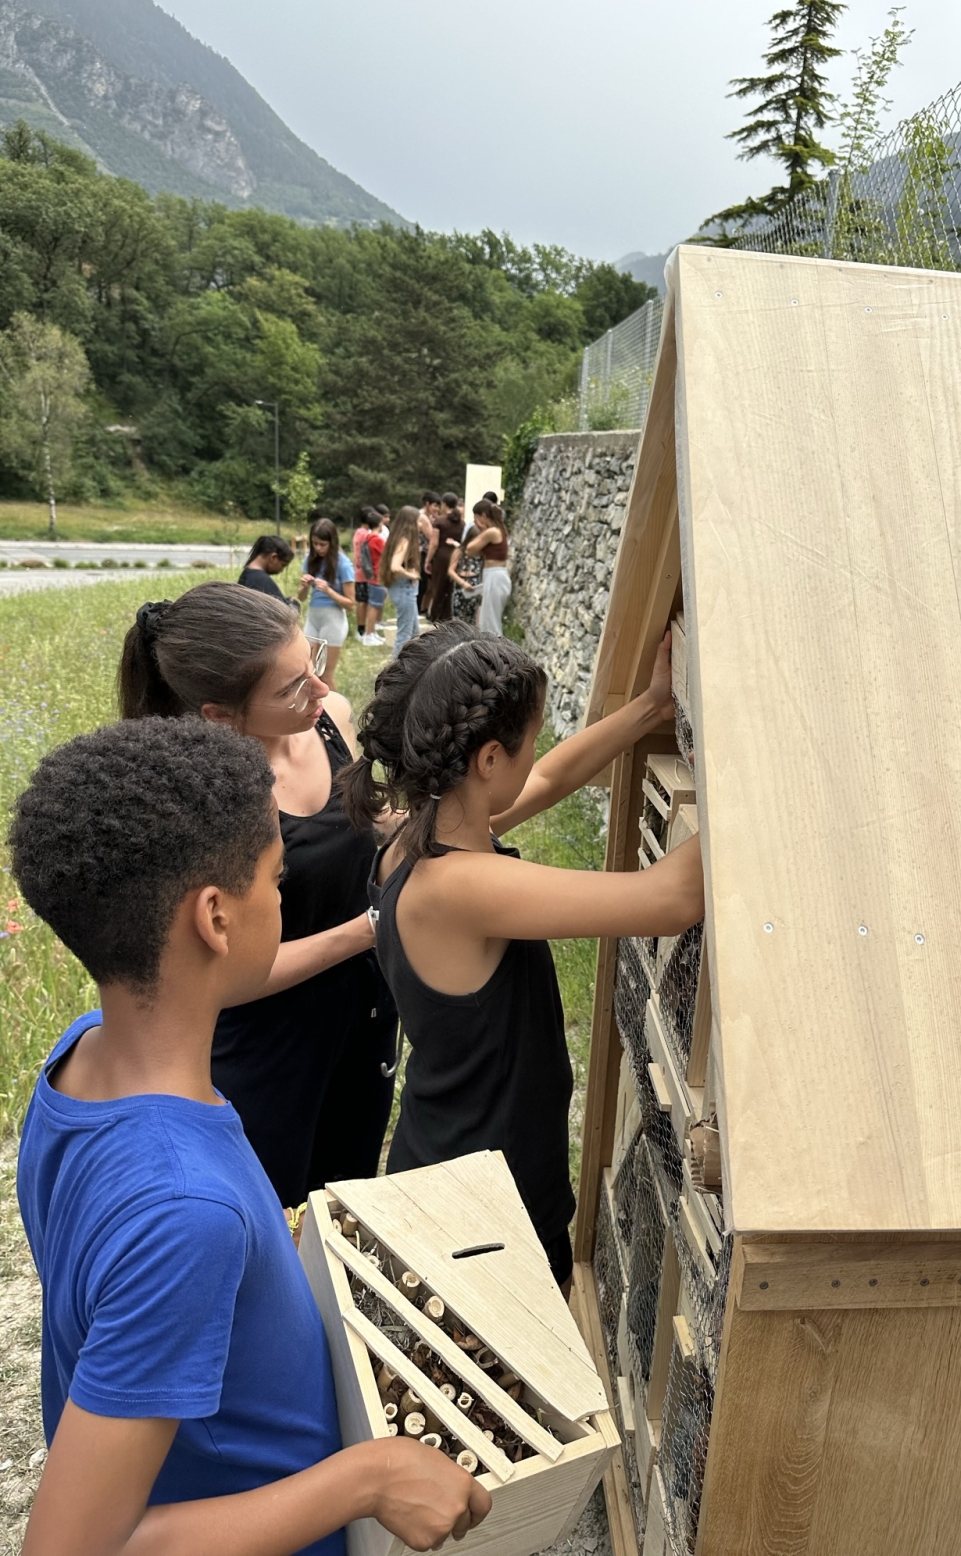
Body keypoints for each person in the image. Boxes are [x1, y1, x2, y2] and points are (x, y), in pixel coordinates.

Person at [9, 717, 490, 1556]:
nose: (284, 892)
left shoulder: (81, 1054)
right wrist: (366, 1480)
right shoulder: (184, 1211)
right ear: (217, 920)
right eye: (278, 877)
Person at [338, 625, 703, 1289]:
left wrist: (652, 706)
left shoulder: (424, 835)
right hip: (483, 1214)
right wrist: (758, 767)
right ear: (486, 761)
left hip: (454, 1160)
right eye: (530, 737)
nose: (537, 752)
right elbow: (672, 897)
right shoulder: (461, 887)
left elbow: (552, 775)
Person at [118, 584, 399, 1211]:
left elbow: (367, 821)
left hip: (362, 1021)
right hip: (267, 1050)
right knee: (274, 1216)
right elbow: (226, 979)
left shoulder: (332, 722)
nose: (320, 692)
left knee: (345, 1205)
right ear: (220, 714)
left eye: (313, 665)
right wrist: (369, 930)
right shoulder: (201, 804)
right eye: (293, 688)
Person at [300, 518, 356, 691]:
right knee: (309, 672)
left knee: (325, 676)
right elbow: (302, 597)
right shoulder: (310, 559)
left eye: (322, 544)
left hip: (333, 620)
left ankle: (338, 714)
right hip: (313, 617)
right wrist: (303, 586)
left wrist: (329, 591)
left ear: (332, 542)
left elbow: (351, 604)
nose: (318, 548)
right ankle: (317, 715)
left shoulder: (343, 564)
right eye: (315, 544)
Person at [380, 505, 422, 656]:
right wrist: (412, 575)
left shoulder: (396, 538)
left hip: (400, 588)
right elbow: (395, 566)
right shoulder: (405, 541)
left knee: (414, 632)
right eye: (418, 521)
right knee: (404, 635)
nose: (420, 525)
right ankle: (394, 671)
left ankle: (411, 666)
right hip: (403, 589)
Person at [465, 500, 511, 636]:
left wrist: (482, 529)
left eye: (476, 519)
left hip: (495, 576)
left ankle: (497, 652)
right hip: (493, 576)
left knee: (491, 623)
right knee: (487, 620)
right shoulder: (498, 531)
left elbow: (469, 549)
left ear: (483, 516)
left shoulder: (492, 531)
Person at [423, 493, 464, 623]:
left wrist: (428, 560)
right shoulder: (462, 523)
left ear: (444, 504)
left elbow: (434, 543)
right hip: (455, 557)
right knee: (451, 589)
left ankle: (435, 616)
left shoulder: (439, 521)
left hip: (441, 558)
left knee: (438, 587)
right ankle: (448, 617)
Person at [239, 534, 295, 606]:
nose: (282, 570)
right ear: (273, 557)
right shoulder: (261, 580)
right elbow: (283, 611)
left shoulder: (246, 574)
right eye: (283, 565)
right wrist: (294, 603)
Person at [360, 514, 389, 647]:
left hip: (373, 575)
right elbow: (387, 552)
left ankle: (372, 633)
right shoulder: (376, 539)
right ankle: (369, 634)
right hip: (377, 576)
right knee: (374, 606)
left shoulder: (369, 537)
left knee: (375, 605)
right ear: (379, 524)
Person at [351, 508, 380, 638]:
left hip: (360, 572)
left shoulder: (358, 532)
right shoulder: (365, 535)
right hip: (364, 574)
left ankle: (363, 628)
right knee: (363, 602)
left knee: (365, 601)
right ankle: (362, 629)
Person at [448, 517, 482, 627]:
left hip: (475, 588)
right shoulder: (459, 551)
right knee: (458, 619)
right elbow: (451, 571)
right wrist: (463, 583)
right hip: (461, 587)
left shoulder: (481, 554)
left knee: (472, 620)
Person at [417, 492, 439, 617]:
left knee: (428, 586)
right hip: (421, 554)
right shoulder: (422, 517)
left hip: (425, 553)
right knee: (423, 585)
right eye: (434, 506)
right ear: (427, 504)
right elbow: (432, 537)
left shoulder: (429, 517)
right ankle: (419, 609)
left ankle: (424, 609)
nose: (437, 509)